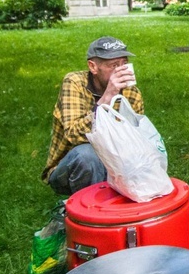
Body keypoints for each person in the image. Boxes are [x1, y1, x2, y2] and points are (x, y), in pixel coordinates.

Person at [42, 36, 140, 196]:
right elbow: (74, 134)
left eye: (124, 63)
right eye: (114, 65)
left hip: (112, 163)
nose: (121, 70)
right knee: (87, 155)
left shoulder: (131, 93)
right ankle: (88, 213)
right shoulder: (74, 83)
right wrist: (108, 97)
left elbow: (135, 139)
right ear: (93, 67)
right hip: (71, 167)